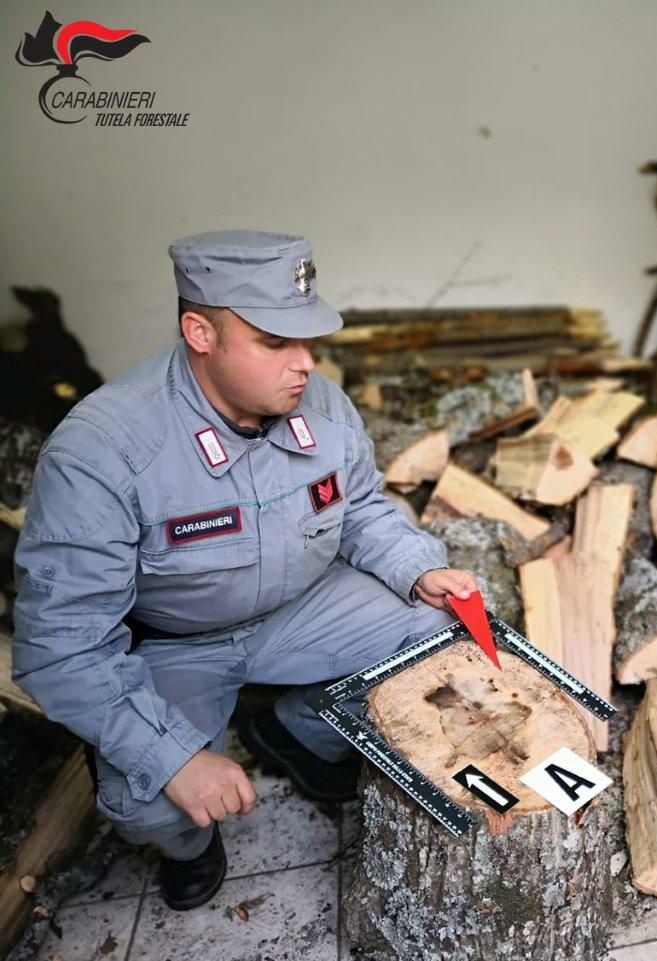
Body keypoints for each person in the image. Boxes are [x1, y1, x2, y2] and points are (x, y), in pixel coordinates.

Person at [11, 230, 479, 911]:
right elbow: (60, 647)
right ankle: (190, 844)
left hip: (301, 607)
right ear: (200, 331)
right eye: (275, 342)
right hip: (178, 644)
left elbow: (361, 510)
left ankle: (296, 730)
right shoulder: (102, 452)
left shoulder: (321, 406)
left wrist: (417, 568)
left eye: (309, 339)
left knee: (439, 625)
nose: (306, 363)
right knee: (146, 801)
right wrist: (176, 759)